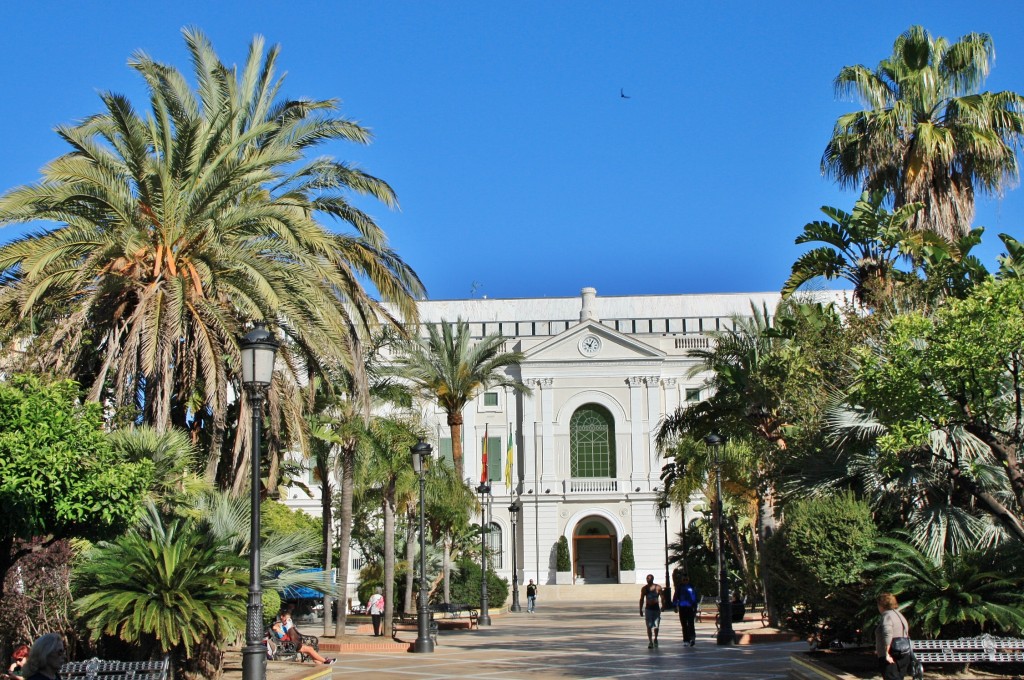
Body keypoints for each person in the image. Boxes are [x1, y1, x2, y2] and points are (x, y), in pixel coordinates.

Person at [875, 592, 912, 680]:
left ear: (881, 605)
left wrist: (887, 653)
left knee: (891, 677)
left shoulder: (887, 615)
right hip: (904, 653)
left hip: (892, 654)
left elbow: (887, 633)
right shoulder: (899, 615)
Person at [672, 573, 699, 646]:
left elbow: (695, 598)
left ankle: (692, 638)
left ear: (688, 580)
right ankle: (686, 639)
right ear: (682, 580)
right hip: (682, 608)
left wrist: (695, 607)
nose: (685, 581)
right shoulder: (679, 587)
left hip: (690, 608)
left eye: (687, 579)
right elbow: (675, 597)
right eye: (684, 580)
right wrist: (675, 606)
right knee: (684, 624)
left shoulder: (692, 587)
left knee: (691, 624)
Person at [639, 574, 663, 649]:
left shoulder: (658, 587)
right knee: (648, 626)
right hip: (648, 609)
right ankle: (650, 641)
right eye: (647, 578)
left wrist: (663, 605)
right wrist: (640, 609)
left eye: (649, 578)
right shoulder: (644, 588)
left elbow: (662, 597)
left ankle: (655, 638)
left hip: (656, 608)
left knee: (656, 626)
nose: (648, 580)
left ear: (653, 579)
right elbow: (642, 599)